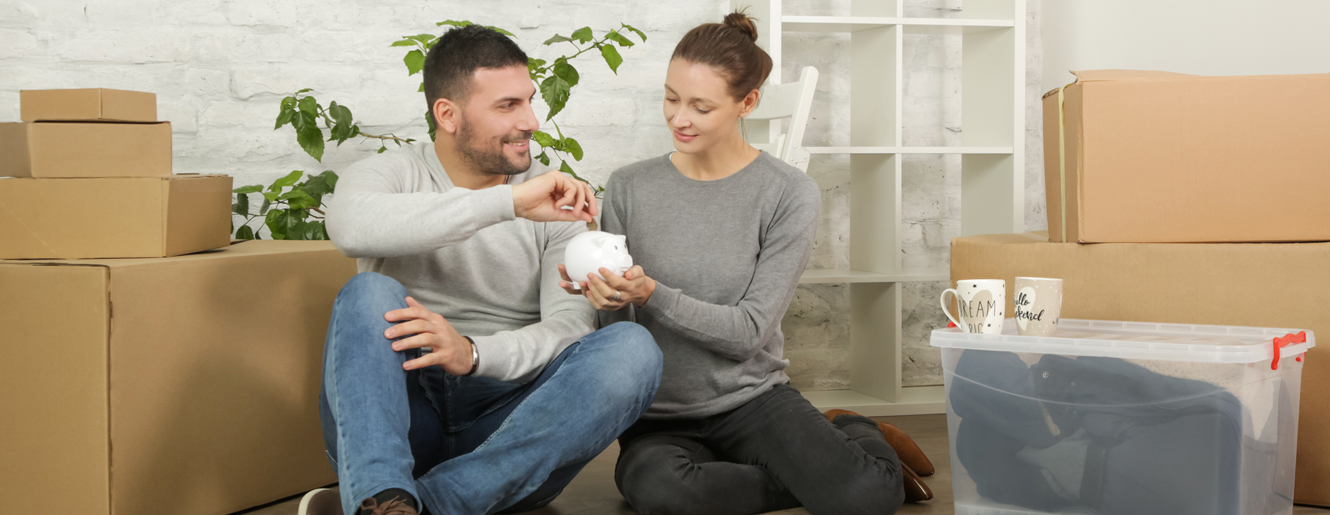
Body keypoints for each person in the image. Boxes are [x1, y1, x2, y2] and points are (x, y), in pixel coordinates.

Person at [557, 12, 935, 515]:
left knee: (868, 495)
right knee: (662, 491)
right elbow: (623, 331)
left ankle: (852, 429)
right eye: (671, 98)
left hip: (752, 401)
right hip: (659, 417)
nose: (679, 118)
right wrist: (601, 290)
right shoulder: (629, 186)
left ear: (747, 103)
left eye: (701, 106)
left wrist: (652, 293)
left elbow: (748, 332)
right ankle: (817, 463)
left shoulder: (786, 193)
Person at [297, 25, 662, 515]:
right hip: (404, 418)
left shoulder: (557, 199)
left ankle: (407, 505)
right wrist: (506, 203)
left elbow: (569, 326)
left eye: (529, 100)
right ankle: (386, 489)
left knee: (633, 349)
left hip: (508, 437)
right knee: (368, 291)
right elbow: (350, 228)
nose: (531, 121)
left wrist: (472, 353)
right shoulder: (395, 173)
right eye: (506, 105)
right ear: (447, 115)